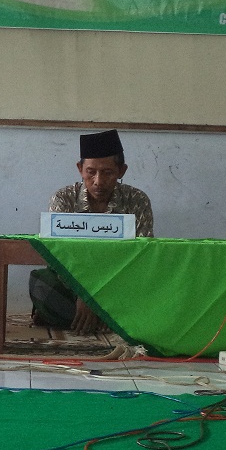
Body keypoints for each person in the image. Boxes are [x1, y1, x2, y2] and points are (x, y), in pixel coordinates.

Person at [30, 129, 154, 333]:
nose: (98, 181)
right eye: (91, 172)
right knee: (41, 284)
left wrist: (100, 297)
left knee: (155, 288)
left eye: (107, 173)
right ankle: (108, 319)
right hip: (73, 285)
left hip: (119, 285)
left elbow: (141, 258)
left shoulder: (137, 201)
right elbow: (60, 256)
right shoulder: (64, 199)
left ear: (121, 171)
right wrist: (84, 295)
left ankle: (81, 317)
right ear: (80, 169)